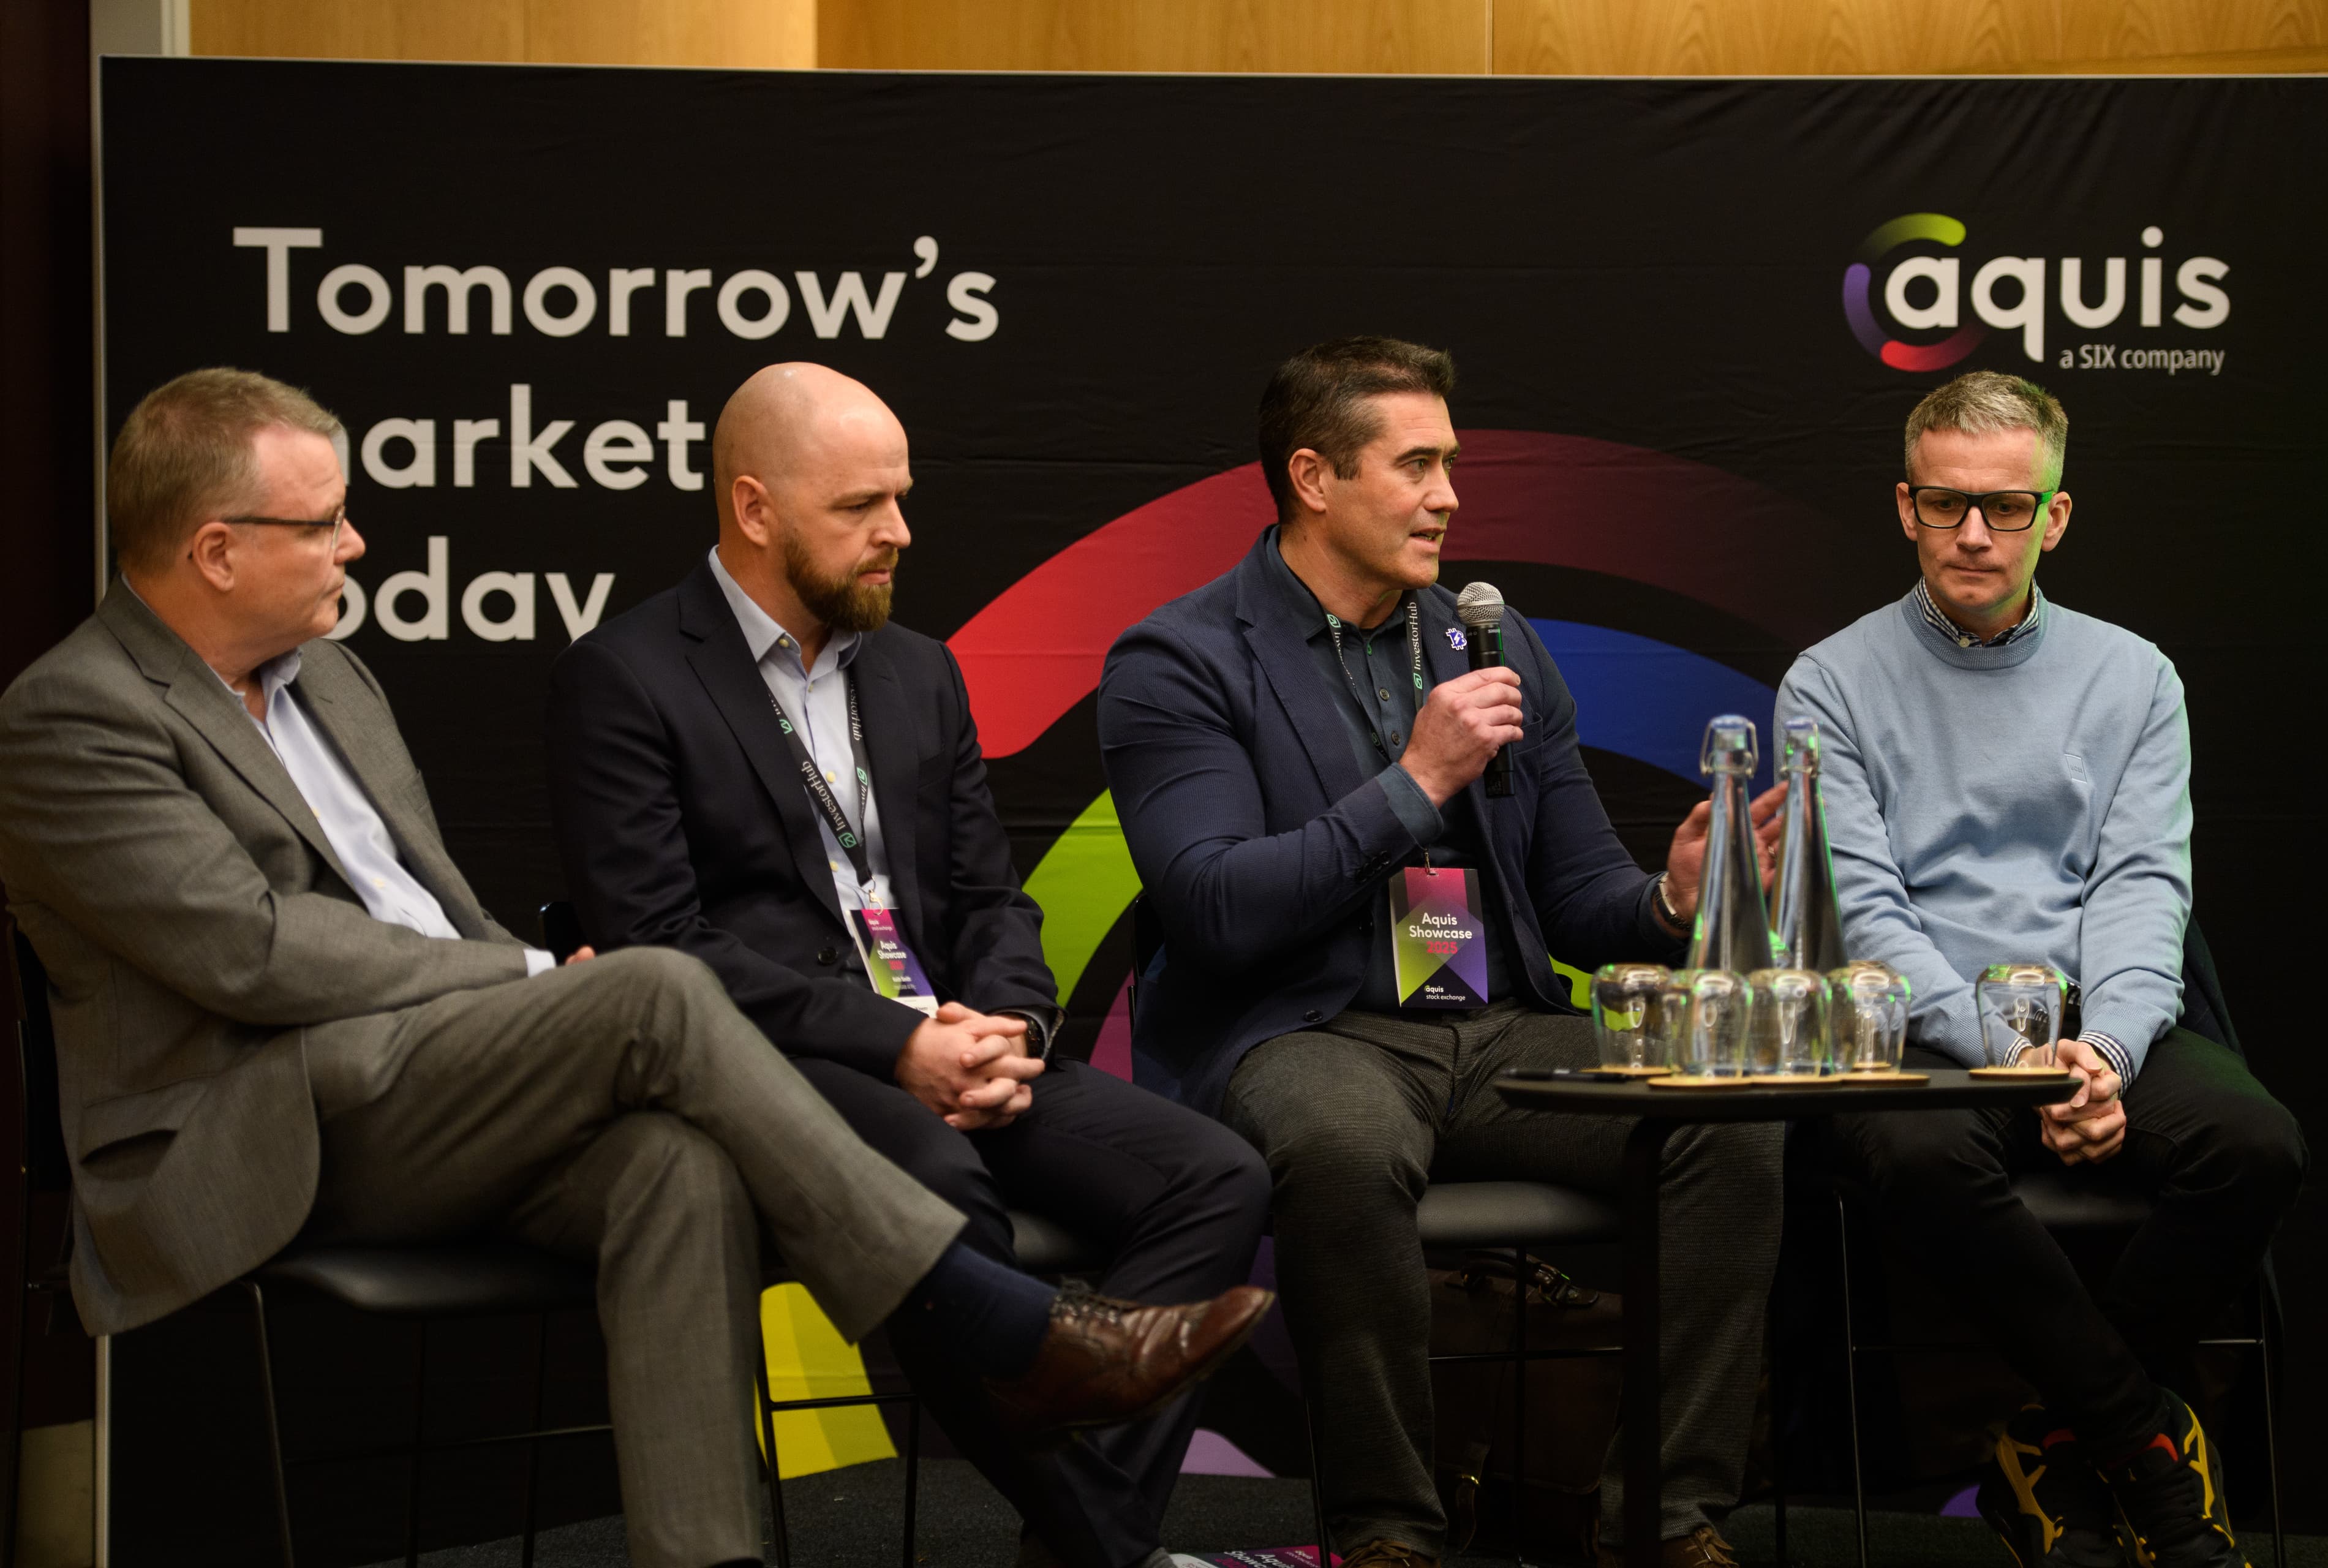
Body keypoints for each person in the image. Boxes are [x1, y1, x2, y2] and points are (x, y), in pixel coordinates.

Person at [0, 368, 1269, 1568]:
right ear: (216, 550)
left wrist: (1004, 1024)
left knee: (680, 1166)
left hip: (428, 1083)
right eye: (324, 521)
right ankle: (1005, 1326)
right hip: (256, 1125)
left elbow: (424, 908)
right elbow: (256, 952)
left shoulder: (329, 676)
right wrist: (534, 979)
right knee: (655, 984)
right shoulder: (75, 715)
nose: (356, 544)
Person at [543, 362, 1274, 1568]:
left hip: (959, 1041)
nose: (899, 531)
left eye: (901, 497)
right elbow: (658, 945)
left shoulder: (918, 670)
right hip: (783, 1062)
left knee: (1216, 1177)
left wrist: (1010, 1028)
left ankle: (1082, 1536)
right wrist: (899, 1045)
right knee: (939, 1184)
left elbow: (989, 896)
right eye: (860, 506)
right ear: (754, 507)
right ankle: (1110, 1550)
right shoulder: (624, 676)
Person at [1098, 337, 1787, 1568]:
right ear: (1313, 478)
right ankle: (1390, 1532)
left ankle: (1667, 1514)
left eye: (1451, 464)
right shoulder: (1183, 659)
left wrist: (1672, 902)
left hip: (1498, 1029)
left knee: (1725, 1116)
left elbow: (1578, 899)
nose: (1449, 496)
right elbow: (1215, 907)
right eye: (1415, 465)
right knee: (1342, 1144)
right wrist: (1416, 782)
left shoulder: (1491, 637)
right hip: (1308, 1030)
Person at [1774, 370, 2306, 1568]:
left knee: (2258, 1145)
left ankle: (2051, 1444)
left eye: (2006, 506)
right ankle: (2142, 1447)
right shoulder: (1829, 681)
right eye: (1947, 502)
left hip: (2093, 1018)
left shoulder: (2135, 675)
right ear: (1905, 507)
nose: (1974, 532)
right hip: (1925, 1032)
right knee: (1913, 1157)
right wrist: (2017, 1058)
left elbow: (2142, 890)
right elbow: (1866, 914)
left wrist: (2104, 1052)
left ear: (2053, 518)